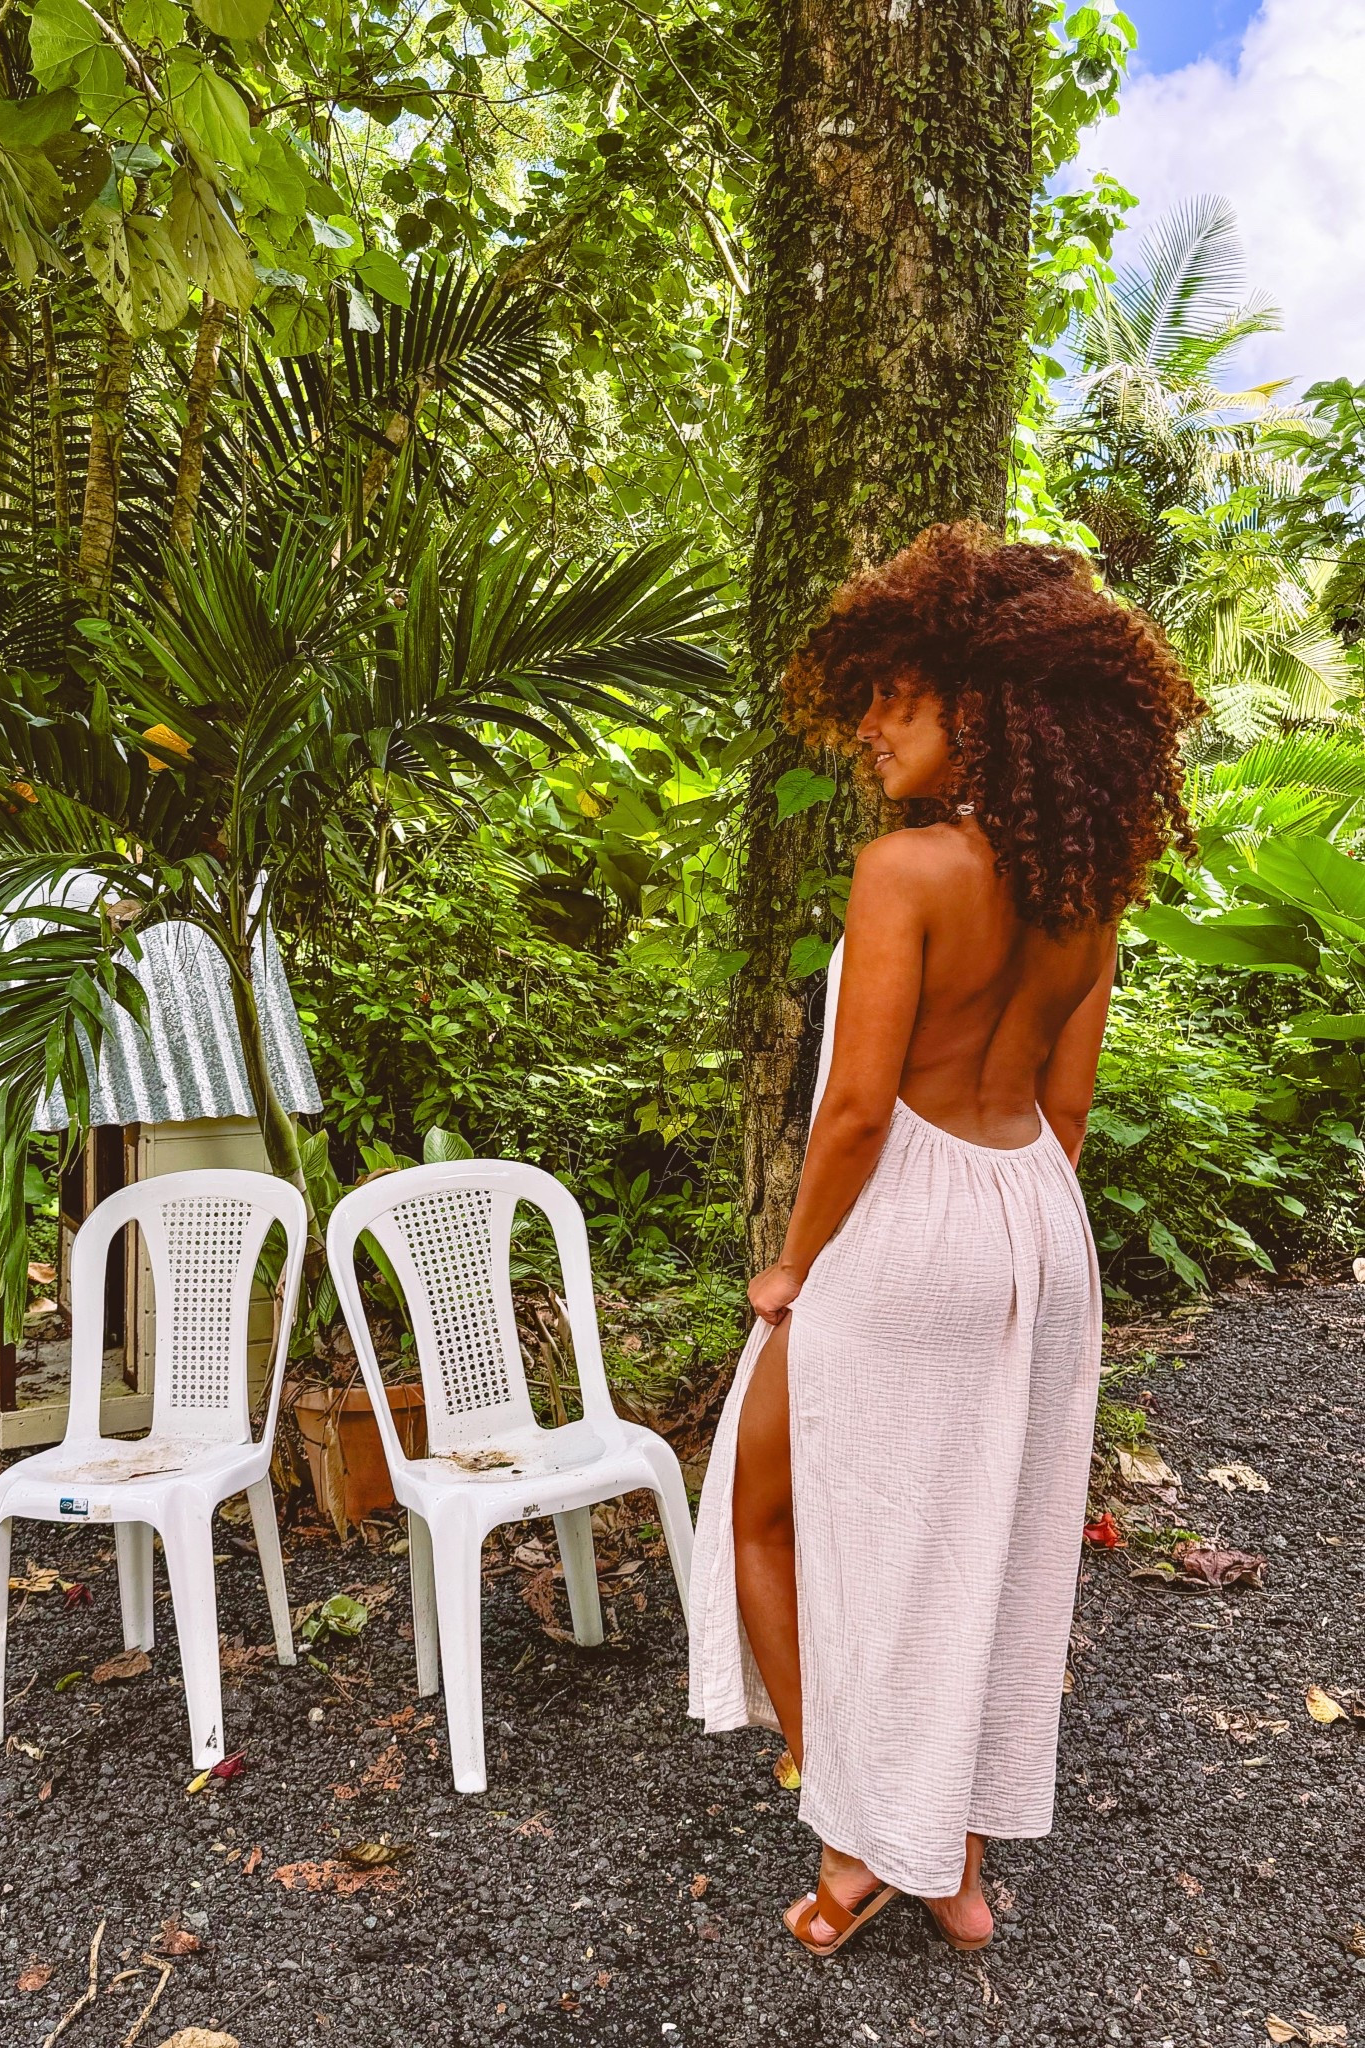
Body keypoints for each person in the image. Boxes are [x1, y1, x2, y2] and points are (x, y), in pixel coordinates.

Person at [688, 524, 1204, 1957]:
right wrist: (1015, 1241)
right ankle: (947, 1860)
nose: (867, 730)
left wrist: (794, 1265)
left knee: (761, 1513)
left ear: (975, 706)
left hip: (902, 1216)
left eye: (891, 701)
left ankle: (861, 1844)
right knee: (972, 1540)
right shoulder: (1087, 892)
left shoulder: (906, 871)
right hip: (1033, 1215)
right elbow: (1071, 1100)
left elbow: (854, 1108)